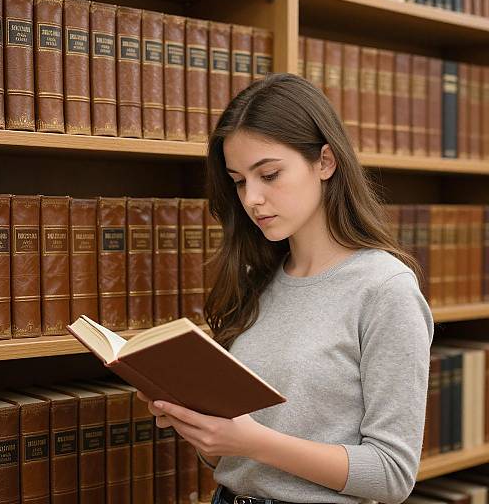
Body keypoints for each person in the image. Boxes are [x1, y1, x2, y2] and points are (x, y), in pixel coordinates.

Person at [138, 73, 434, 504]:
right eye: (239, 181)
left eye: (269, 174)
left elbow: (392, 475)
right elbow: (235, 461)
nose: (252, 198)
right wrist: (204, 428)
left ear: (325, 162)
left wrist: (253, 442)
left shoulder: (385, 289)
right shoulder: (259, 279)